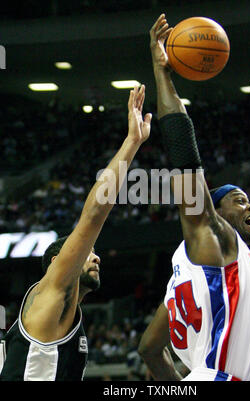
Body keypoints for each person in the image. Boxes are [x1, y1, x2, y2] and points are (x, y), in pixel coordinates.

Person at [138, 14, 250, 382]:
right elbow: (185, 162)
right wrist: (162, 74)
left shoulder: (184, 266)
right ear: (216, 213)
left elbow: (149, 347)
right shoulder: (215, 238)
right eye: (239, 200)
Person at [0, 85, 152, 381]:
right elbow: (94, 215)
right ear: (58, 261)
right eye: (87, 253)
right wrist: (132, 142)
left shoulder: (68, 314)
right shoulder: (51, 291)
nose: (95, 258)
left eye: (93, 254)